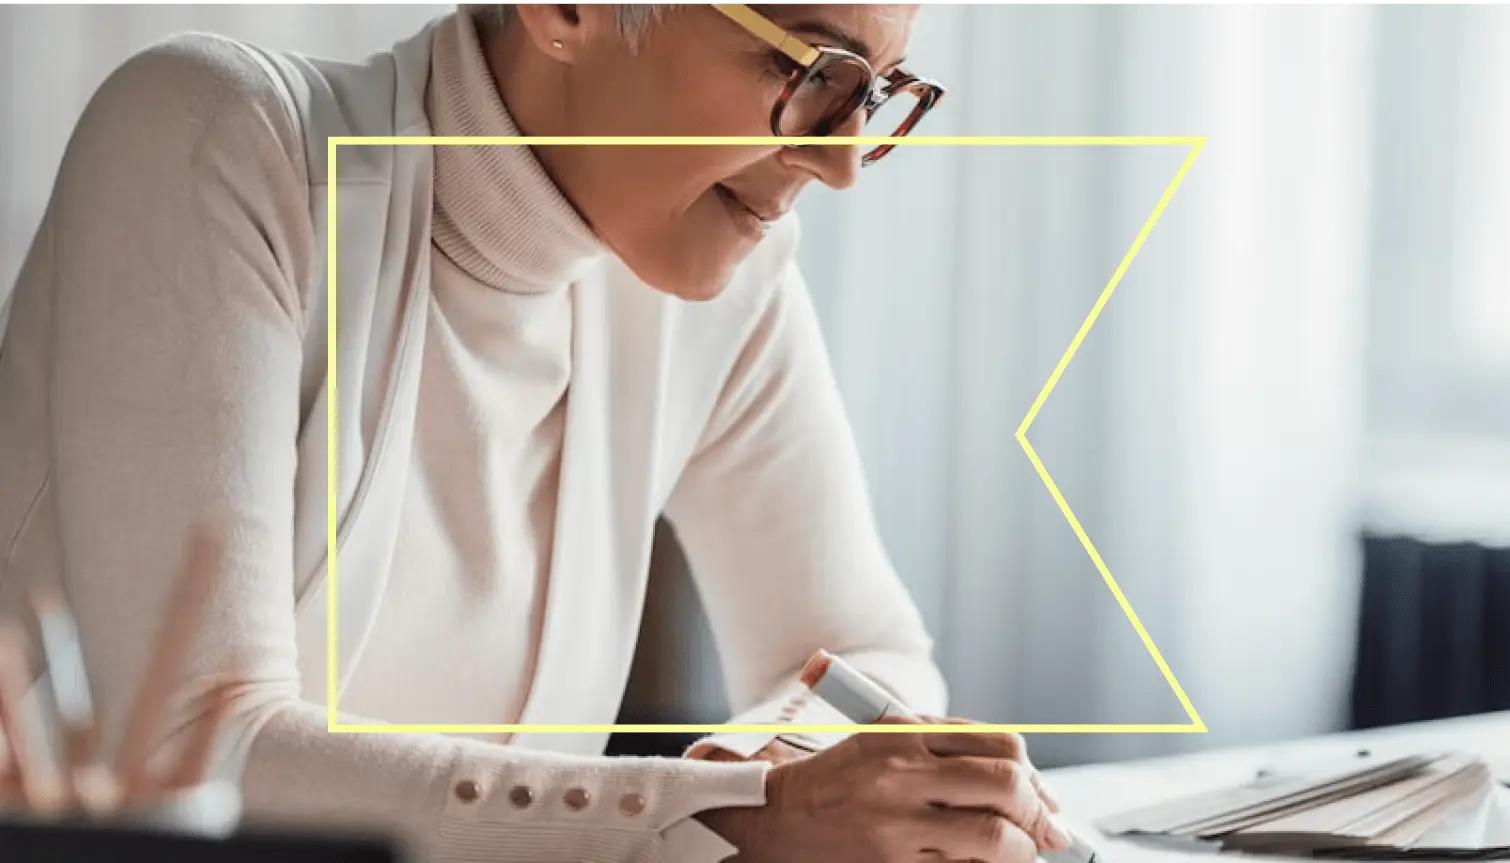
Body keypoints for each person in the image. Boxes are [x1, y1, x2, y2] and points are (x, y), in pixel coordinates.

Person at [0, 2, 1072, 861]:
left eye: (876, 93)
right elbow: (197, 750)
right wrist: (737, 814)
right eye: (814, 74)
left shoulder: (733, 285)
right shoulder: (216, 135)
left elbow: (871, 661)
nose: (842, 161)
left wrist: (772, 780)